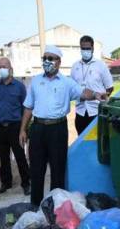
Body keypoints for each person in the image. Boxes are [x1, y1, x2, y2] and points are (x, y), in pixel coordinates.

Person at [19, 45, 107, 206]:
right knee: (36, 170)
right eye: (44, 58)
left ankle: (55, 207)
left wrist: (96, 94)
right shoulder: (36, 81)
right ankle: (35, 206)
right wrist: (23, 129)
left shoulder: (67, 83)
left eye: (50, 58)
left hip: (57, 130)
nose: (47, 61)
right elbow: (28, 107)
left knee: (57, 170)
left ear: (59, 62)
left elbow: (83, 92)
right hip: (37, 129)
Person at [0, 57, 30, 195]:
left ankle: (26, 183)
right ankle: (5, 183)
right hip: (0, 126)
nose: (2, 69)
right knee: (3, 157)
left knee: (20, 156)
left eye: (4, 66)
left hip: (16, 127)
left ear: (10, 69)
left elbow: (26, 108)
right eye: (0, 66)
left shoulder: (19, 86)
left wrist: (23, 129)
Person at [70, 35, 114, 135]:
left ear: (93, 48)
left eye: (88, 48)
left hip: (97, 112)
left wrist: (103, 98)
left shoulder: (101, 65)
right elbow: (72, 88)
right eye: (83, 48)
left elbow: (110, 87)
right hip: (80, 112)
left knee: (97, 143)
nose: (85, 50)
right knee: (82, 142)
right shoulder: (75, 66)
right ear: (80, 48)